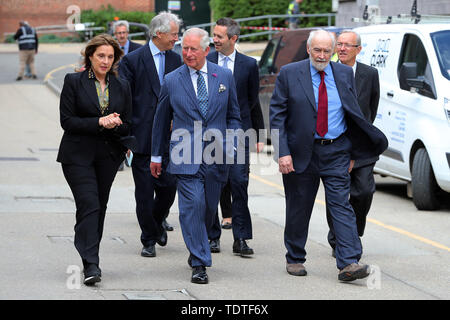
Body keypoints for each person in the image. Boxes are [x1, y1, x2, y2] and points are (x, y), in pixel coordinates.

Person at [270, 29, 388, 281]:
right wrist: (283, 152)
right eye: (317, 50)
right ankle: (295, 257)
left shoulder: (344, 73)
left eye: (327, 51)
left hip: (336, 150)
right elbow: (277, 116)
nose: (322, 55)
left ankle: (348, 262)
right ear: (309, 49)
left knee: (341, 206)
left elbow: (354, 114)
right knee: (299, 207)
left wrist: (354, 152)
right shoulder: (290, 74)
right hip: (302, 152)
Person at [150, 28, 241, 284]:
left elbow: (234, 114)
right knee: (192, 206)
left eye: (193, 49)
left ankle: (197, 246)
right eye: (184, 48)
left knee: (208, 208)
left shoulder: (223, 76)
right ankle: (200, 262)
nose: (187, 54)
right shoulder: (171, 79)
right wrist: (156, 155)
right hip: (184, 154)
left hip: (217, 155)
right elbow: (161, 121)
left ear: (206, 50)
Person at [57, 34, 135, 286]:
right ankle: (92, 264)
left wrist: (117, 124)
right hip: (77, 155)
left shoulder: (121, 85)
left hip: (108, 157)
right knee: (89, 204)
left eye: (110, 56)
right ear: (90, 56)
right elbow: (67, 121)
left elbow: (129, 125)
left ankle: (90, 256)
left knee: (98, 208)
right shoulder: (74, 81)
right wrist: (99, 121)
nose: (105, 61)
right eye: (101, 55)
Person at [119, 12, 182, 258]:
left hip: (169, 139)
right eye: (174, 34)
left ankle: (157, 223)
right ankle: (148, 239)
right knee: (144, 193)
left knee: (169, 186)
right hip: (142, 138)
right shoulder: (133, 61)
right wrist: (127, 138)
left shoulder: (176, 60)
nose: (177, 38)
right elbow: (124, 101)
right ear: (159, 34)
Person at [206, 17, 265, 256]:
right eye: (214, 35)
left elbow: (253, 102)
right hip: (211, 132)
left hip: (239, 131)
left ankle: (241, 238)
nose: (215, 40)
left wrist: (258, 134)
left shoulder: (249, 65)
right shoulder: (206, 60)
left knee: (239, 183)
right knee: (213, 184)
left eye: (219, 36)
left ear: (233, 39)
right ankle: (212, 237)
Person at [326, 30, 380, 256]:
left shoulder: (370, 74)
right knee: (337, 194)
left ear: (359, 49)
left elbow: (371, 109)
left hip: (361, 146)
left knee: (364, 191)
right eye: (339, 44)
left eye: (348, 45)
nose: (342, 49)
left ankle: (353, 233)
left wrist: (361, 143)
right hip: (335, 144)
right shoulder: (328, 72)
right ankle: (338, 237)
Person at [112, 20, 142, 172]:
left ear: (128, 33)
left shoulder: (138, 49)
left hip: (134, 94)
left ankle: (131, 155)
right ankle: (119, 158)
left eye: (124, 32)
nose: (122, 35)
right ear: (115, 34)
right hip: (116, 94)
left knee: (132, 126)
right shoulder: (110, 49)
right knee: (118, 125)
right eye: (119, 33)